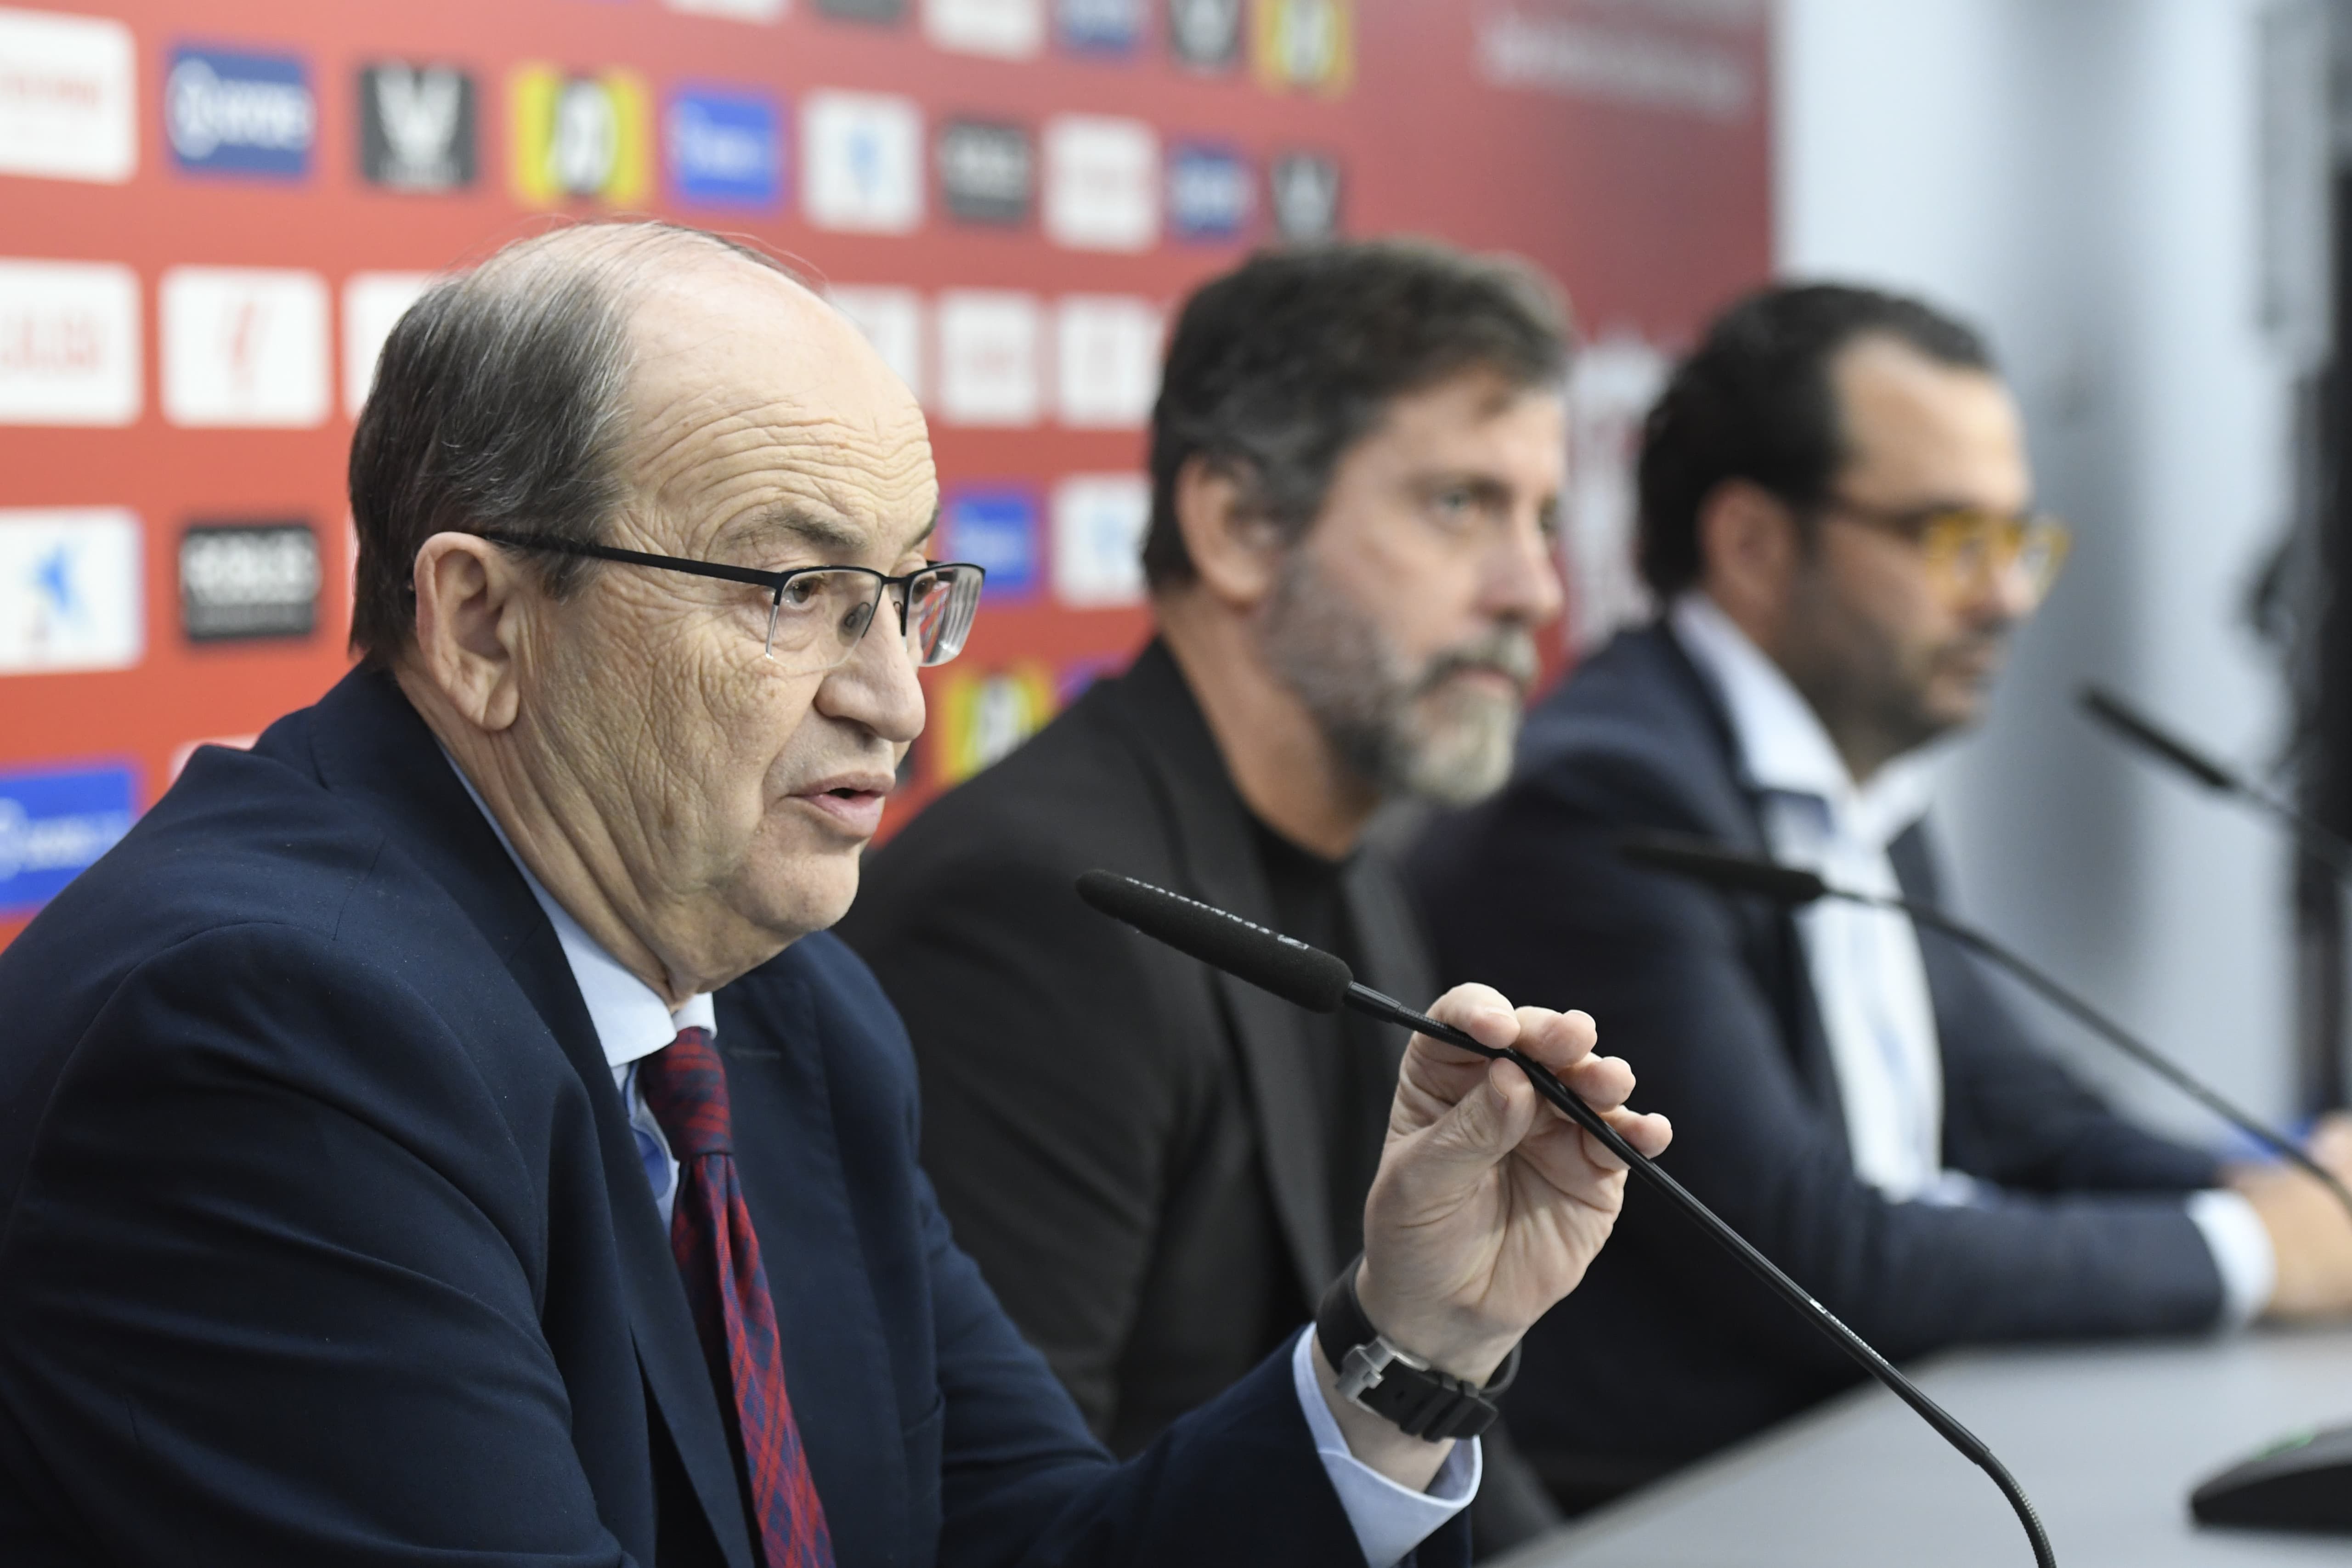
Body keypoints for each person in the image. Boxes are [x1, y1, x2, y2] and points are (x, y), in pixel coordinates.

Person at [0, 221, 1671, 1568]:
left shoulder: (789, 1010)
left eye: (907, 595)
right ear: (486, 624)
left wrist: (1411, 1348)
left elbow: (1032, 1545)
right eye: (794, 591)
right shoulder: (261, 1037)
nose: (897, 699)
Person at [1408, 282, 2352, 1503]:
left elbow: (2026, 1121)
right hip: (1694, 1502)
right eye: (1953, 539)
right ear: (1753, 542)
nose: (2006, 594)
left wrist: (2294, 1194)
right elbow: (1815, 1252)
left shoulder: (1850, 773)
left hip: (1888, 1454)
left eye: (2018, 543)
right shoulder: (1606, 804)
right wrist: (2254, 1251)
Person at [840, 240, 1572, 1551]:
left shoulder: (1349, 861)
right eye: (1462, 506)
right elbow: (995, 1525)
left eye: (1543, 518)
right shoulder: (1040, 914)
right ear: (1236, 524)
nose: (1534, 590)